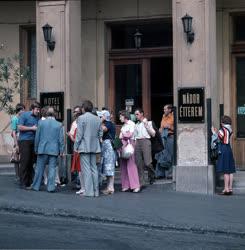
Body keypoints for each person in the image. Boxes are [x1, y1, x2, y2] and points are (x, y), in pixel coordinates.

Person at [32, 107, 64, 192]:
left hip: (42, 148)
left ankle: (36, 186)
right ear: (54, 114)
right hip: (54, 149)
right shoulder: (59, 124)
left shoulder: (41, 123)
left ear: (46, 114)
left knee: (39, 169)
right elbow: (61, 139)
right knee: (52, 169)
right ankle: (50, 187)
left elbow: (37, 137)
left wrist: (36, 148)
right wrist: (62, 150)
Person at [74, 100, 102, 197]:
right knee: (94, 169)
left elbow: (79, 135)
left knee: (86, 170)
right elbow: (100, 133)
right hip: (95, 146)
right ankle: (96, 191)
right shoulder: (97, 118)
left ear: (83, 108)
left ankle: (89, 192)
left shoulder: (81, 118)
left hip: (84, 146)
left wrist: (75, 146)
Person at [18, 102, 40, 189]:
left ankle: (29, 182)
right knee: (25, 161)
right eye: (37, 109)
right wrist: (32, 128)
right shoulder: (24, 115)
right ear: (32, 109)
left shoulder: (37, 118)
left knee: (31, 162)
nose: (38, 111)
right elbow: (20, 127)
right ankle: (23, 182)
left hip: (33, 141)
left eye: (39, 109)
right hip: (24, 141)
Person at [212, 115, 236, 195]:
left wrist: (214, 132)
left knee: (226, 170)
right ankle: (230, 188)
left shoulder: (222, 130)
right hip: (229, 149)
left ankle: (226, 189)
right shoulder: (230, 129)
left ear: (223, 122)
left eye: (221, 121)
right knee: (230, 169)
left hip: (223, 149)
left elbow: (218, 139)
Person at [119, 110, 140, 193]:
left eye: (121, 116)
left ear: (125, 116)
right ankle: (126, 185)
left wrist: (123, 134)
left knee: (131, 164)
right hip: (123, 144)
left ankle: (135, 185)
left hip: (129, 144)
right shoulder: (124, 125)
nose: (120, 118)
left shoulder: (131, 123)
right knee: (123, 165)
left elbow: (130, 134)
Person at [134, 108, 156, 187]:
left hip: (146, 141)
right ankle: (141, 181)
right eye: (135, 114)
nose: (136, 116)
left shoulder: (149, 122)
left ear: (142, 114)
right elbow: (135, 135)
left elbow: (153, 134)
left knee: (147, 162)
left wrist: (146, 125)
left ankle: (152, 175)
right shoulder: (136, 124)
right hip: (138, 142)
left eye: (137, 114)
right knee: (139, 163)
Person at [67, 106, 85, 194]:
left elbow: (74, 137)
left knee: (82, 169)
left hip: (79, 148)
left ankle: (84, 187)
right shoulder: (75, 123)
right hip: (80, 148)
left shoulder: (78, 123)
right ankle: (83, 186)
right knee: (80, 169)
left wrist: (71, 137)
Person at [100, 110, 116, 195]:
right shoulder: (107, 123)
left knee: (109, 166)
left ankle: (111, 187)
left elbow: (103, 130)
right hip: (106, 147)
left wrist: (101, 121)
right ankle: (109, 187)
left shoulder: (108, 123)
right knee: (107, 167)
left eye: (101, 115)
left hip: (109, 147)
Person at [157, 104, 174, 179]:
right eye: (164, 109)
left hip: (170, 137)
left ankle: (170, 174)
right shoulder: (163, 117)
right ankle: (160, 174)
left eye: (165, 109)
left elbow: (177, 128)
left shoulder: (173, 117)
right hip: (163, 137)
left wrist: (170, 127)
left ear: (170, 110)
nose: (164, 110)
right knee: (161, 154)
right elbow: (161, 126)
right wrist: (160, 129)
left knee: (170, 155)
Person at [10, 103, 25, 181]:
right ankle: (17, 175)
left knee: (22, 157)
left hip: (23, 139)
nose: (23, 111)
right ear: (19, 110)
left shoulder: (22, 118)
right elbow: (13, 132)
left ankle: (22, 175)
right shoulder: (15, 119)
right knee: (16, 158)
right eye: (22, 110)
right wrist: (16, 144)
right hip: (18, 140)